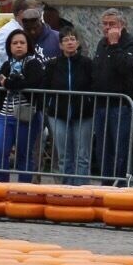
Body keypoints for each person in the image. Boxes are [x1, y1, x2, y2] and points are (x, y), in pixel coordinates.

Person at [90, 8, 133, 184]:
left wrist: (115, 45)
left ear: (122, 25)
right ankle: (106, 183)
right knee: (103, 149)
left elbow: (125, 66)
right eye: (105, 24)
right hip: (101, 104)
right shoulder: (101, 44)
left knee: (120, 149)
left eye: (112, 24)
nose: (108, 28)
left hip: (121, 105)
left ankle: (120, 185)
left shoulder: (130, 43)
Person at [0, 29, 46, 183]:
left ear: (28, 45)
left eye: (22, 42)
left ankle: (24, 190)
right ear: (9, 46)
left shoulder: (34, 63)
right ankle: (1, 186)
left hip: (27, 115)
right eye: (15, 43)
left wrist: (9, 83)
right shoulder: (6, 65)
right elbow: (2, 87)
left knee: (24, 154)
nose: (19, 46)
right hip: (5, 114)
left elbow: (31, 84)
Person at [43, 29, 95, 185]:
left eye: (73, 39)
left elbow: (94, 85)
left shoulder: (87, 64)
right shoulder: (52, 65)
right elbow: (45, 86)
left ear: (78, 43)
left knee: (82, 155)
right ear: (60, 45)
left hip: (83, 114)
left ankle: (82, 190)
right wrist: (49, 105)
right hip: (58, 114)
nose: (70, 42)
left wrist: (89, 102)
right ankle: (66, 190)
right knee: (64, 155)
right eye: (66, 40)